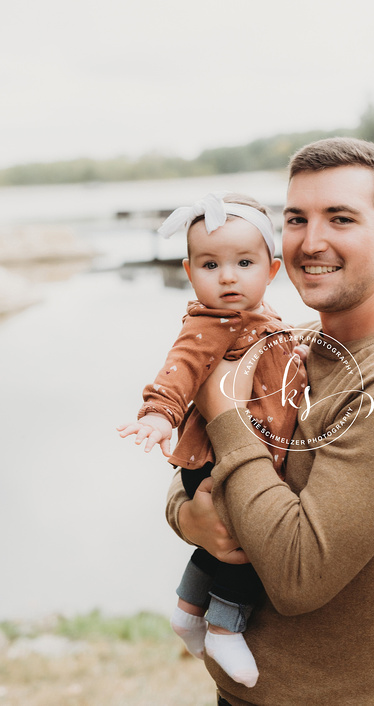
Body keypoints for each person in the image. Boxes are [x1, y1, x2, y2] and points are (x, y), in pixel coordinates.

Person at [166, 138, 374, 706]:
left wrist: (224, 410)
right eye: (296, 219)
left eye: (341, 218)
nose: (312, 242)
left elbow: (298, 576)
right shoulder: (293, 348)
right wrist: (188, 518)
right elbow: (198, 464)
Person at [117, 192, 306, 689]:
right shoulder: (209, 325)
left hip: (240, 452)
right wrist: (159, 414)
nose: (227, 276)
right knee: (251, 540)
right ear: (189, 271)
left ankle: (187, 608)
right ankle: (224, 623)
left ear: (271, 270)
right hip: (218, 456)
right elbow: (179, 371)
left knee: (221, 540)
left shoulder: (265, 320)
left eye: (243, 263)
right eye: (210, 264)